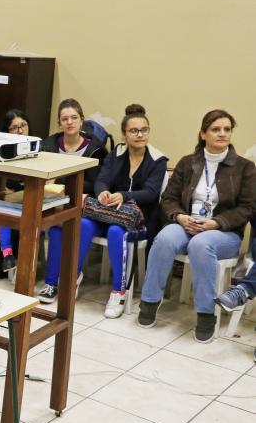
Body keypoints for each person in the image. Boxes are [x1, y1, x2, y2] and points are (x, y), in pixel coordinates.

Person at [137, 109, 256, 342]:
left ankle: (206, 314)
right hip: (186, 223)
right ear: (203, 134)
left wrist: (216, 222)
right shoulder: (187, 163)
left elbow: (248, 208)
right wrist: (181, 217)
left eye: (227, 129)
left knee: (200, 245)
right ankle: (149, 301)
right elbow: (168, 199)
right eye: (215, 129)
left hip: (223, 232)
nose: (222, 134)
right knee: (164, 238)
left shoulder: (245, 167)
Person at [77, 104, 168, 318]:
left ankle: (119, 291)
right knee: (84, 224)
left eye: (144, 130)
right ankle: (73, 277)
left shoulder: (158, 160)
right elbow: (102, 180)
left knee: (116, 231)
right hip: (109, 213)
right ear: (124, 134)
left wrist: (124, 196)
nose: (140, 135)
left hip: (139, 220)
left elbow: (151, 193)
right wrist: (102, 193)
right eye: (134, 131)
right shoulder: (116, 154)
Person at [37, 99, 110, 303]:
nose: (69, 122)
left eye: (74, 118)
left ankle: (71, 277)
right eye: (64, 119)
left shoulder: (96, 149)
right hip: (56, 205)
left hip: (87, 207)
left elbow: (97, 184)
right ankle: (51, 283)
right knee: (56, 228)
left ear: (82, 120)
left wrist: (60, 181)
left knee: (81, 225)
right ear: (59, 123)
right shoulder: (48, 145)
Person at [0, 109, 31, 273]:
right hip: (10, 202)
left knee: (5, 204)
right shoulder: (2, 152)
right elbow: (4, 183)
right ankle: (7, 254)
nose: (20, 130)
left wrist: (17, 190)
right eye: (15, 127)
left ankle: (14, 257)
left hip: (31, 199)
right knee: (2, 205)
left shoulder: (38, 148)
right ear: (7, 131)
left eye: (23, 125)